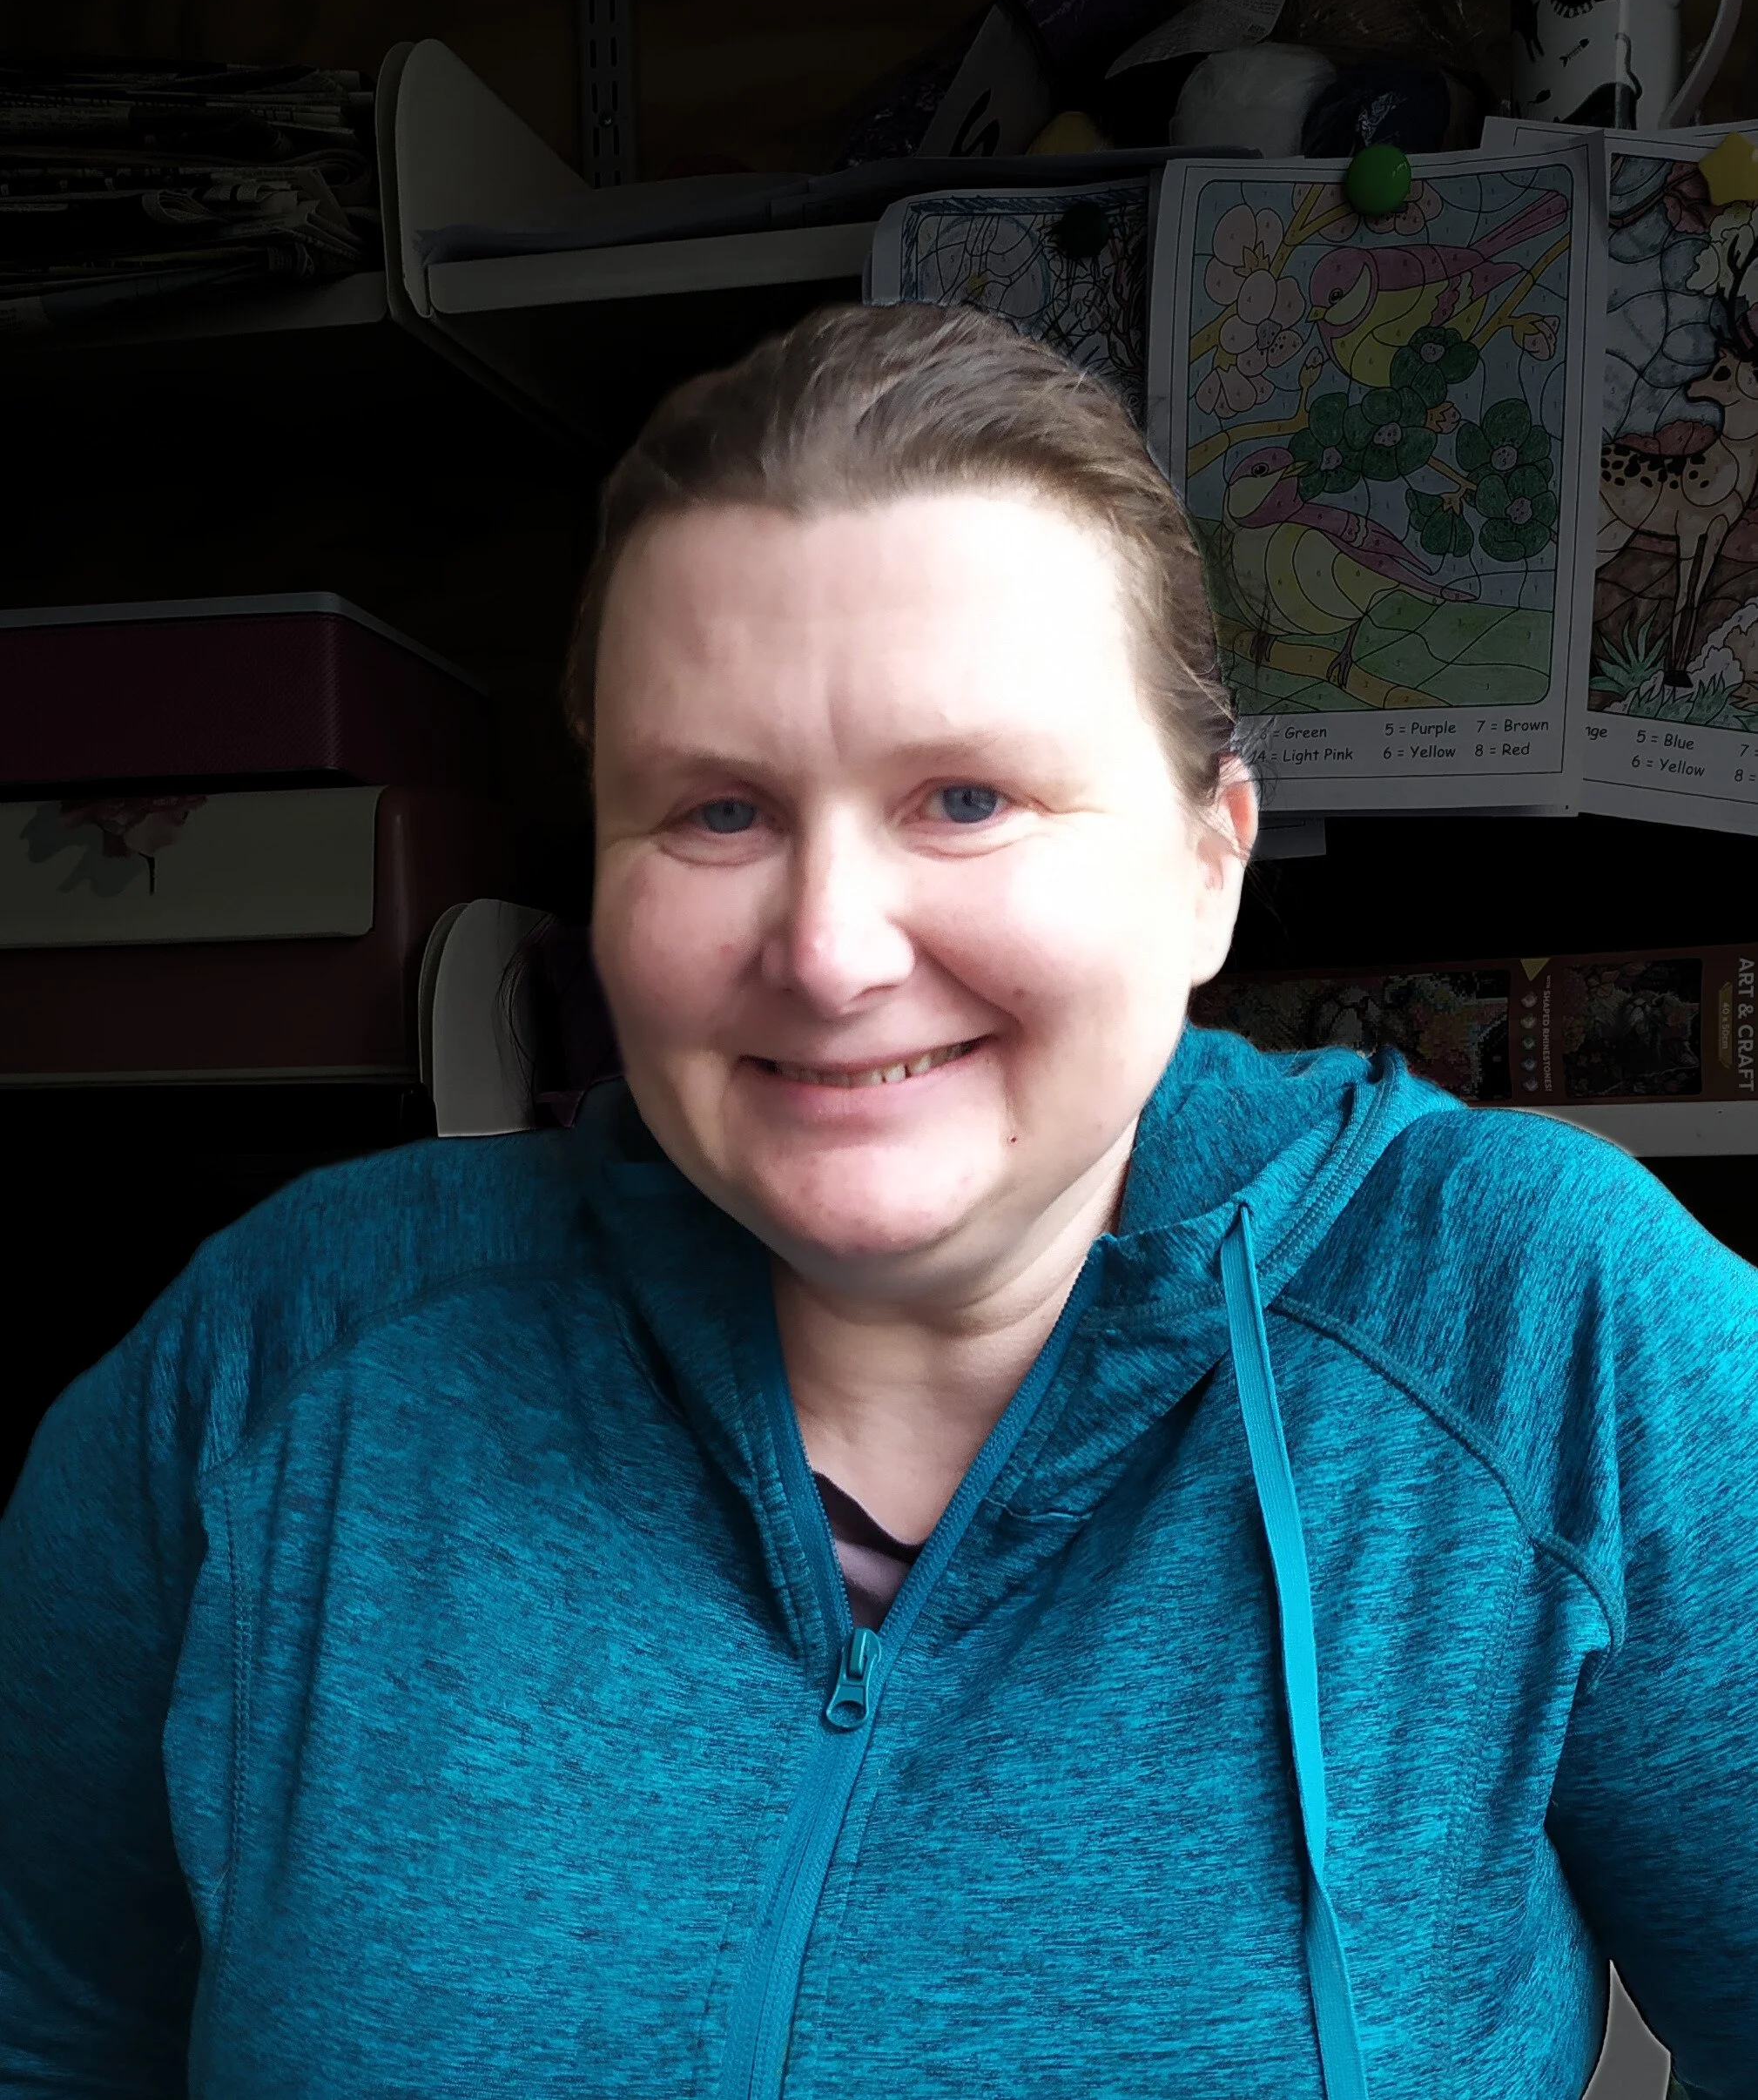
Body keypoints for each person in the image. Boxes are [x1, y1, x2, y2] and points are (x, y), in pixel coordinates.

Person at [1, 303, 1755, 2100]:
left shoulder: (1545, 1329)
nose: (831, 952)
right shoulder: (271, 1365)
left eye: (966, 797)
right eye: (713, 812)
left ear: (1207, 859)